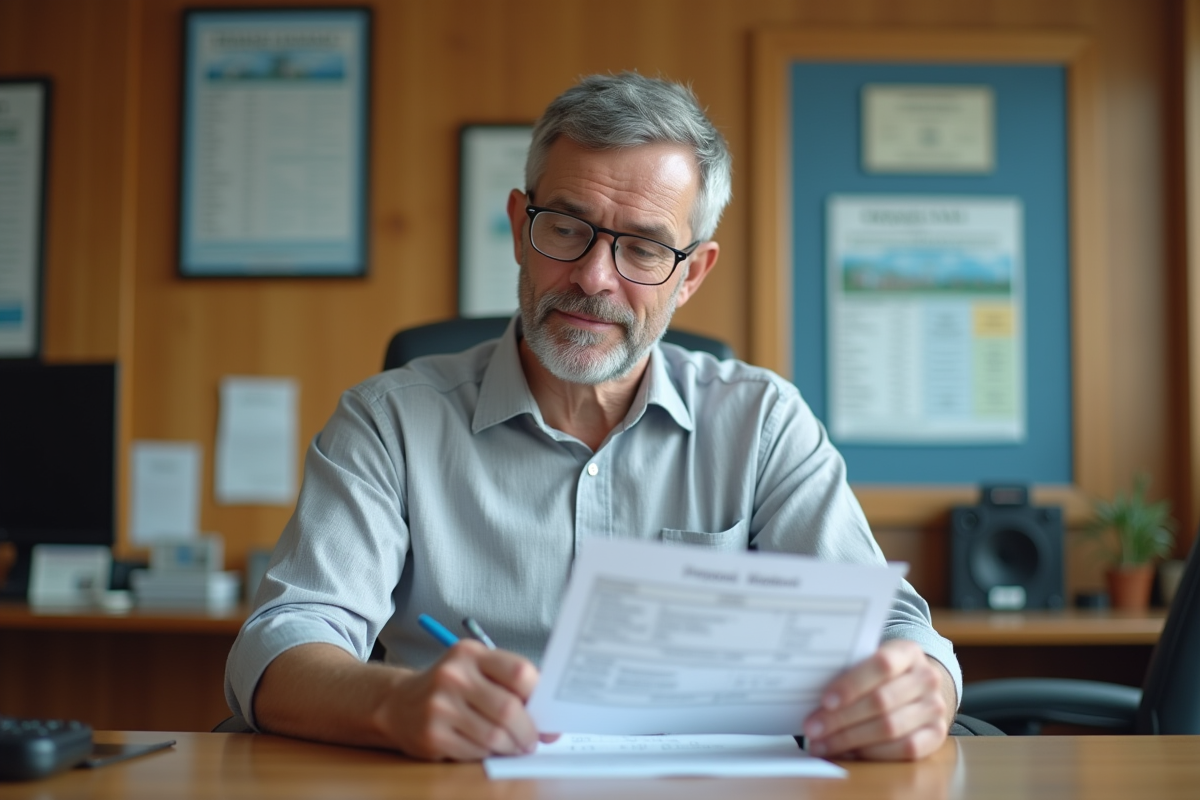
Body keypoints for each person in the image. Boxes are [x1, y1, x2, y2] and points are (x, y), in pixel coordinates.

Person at [225, 72, 961, 762]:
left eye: (642, 247)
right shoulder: (389, 422)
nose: (593, 277)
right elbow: (281, 642)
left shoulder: (762, 422)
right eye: (567, 229)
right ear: (520, 227)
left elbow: (896, 629)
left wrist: (920, 683)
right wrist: (395, 702)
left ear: (692, 274)